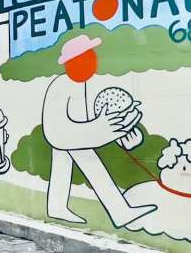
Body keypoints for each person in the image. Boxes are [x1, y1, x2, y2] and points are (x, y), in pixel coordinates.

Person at [41, 34, 155, 227]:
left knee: (63, 163)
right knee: (90, 164)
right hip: (62, 134)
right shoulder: (62, 85)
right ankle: (120, 212)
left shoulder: (79, 84)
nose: (94, 61)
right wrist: (107, 129)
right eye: (88, 57)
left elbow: (87, 120)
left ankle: (57, 207)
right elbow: (57, 126)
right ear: (74, 63)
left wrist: (117, 134)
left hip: (69, 135)